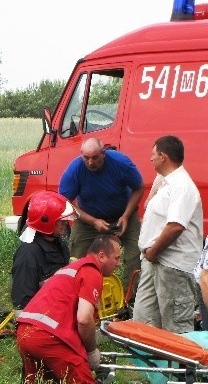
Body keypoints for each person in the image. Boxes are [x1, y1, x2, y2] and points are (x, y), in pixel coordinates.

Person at [16, 234, 122, 384]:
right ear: (102, 256)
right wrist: (91, 351)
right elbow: (84, 318)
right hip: (48, 336)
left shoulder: (72, 268)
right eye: (117, 258)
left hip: (25, 331)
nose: (119, 263)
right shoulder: (91, 272)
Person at [133, 135, 203, 333]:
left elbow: (175, 226)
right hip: (153, 262)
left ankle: (179, 364)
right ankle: (150, 362)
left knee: (176, 328)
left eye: (153, 154)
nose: (150, 159)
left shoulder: (182, 186)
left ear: (163, 156)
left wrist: (154, 251)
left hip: (172, 265)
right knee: (143, 320)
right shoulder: (166, 183)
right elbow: (149, 206)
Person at [59, 138, 143, 291]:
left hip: (123, 216)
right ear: (81, 155)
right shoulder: (75, 170)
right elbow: (64, 202)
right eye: (86, 158)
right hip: (88, 220)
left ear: (104, 153)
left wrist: (125, 215)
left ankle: (129, 300)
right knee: (77, 258)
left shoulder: (121, 163)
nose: (91, 162)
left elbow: (139, 187)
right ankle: (78, 294)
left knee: (135, 256)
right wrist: (92, 221)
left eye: (95, 157)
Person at [11, 191, 76, 310]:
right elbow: (22, 302)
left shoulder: (58, 244)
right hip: (40, 315)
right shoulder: (28, 253)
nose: (65, 223)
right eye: (61, 220)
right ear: (46, 221)